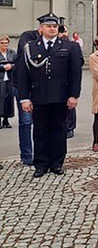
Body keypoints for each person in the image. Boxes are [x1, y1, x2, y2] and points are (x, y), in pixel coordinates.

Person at [17, 13, 83, 178]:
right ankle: (41, 164)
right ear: (41, 29)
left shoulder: (70, 47)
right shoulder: (30, 47)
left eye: (55, 26)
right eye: (49, 26)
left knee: (59, 130)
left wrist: (74, 95)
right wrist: (24, 98)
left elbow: (75, 73)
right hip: (39, 96)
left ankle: (57, 163)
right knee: (40, 131)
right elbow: (22, 74)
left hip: (61, 97)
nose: (52, 28)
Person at [12, 28, 40, 166]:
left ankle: (40, 154)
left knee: (41, 122)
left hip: (39, 87)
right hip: (23, 86)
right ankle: (27, 156)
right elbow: (28, 51)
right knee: (26, 122)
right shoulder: (27, 36)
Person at [0, 35, 16, 129]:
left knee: (9, 100)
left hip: (9, 79)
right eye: (2, 43)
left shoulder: (12, 52)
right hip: (0, 78)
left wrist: (11, 66)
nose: (4, 45)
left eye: (6, 43)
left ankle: (6, 119)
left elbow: (17, 63)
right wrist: (3, 67)